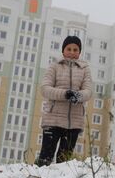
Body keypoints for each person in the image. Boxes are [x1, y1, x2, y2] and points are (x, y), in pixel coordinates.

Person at [36, 36, 92, 166]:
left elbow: (88, 91)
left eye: (75, 49)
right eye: (69, 49)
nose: (72, 52)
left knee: (64, 162)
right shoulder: (55, 66)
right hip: (52, 120)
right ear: (63, 50)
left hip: (74, 122)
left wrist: (78, 96)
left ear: (79, 52)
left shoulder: (84, 69)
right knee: (45, 158)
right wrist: (65, 94)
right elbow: (45, 88)